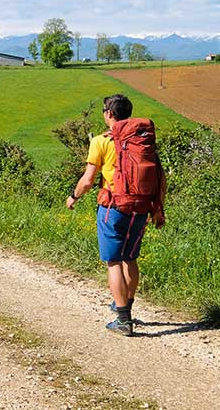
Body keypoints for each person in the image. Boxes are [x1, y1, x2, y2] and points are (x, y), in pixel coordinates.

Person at [66, 94, 165, 336]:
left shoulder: (101, 141)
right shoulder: (142, 141)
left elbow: (88, 180)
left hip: (113, 208)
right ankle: (126, 306)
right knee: (130, 258)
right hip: (141, 207)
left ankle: (123, 319)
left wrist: (73, 196)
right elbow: (159, 175)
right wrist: (158, 207)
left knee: (114, 262)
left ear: (109, 113)